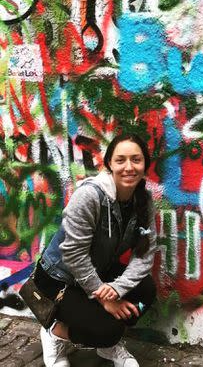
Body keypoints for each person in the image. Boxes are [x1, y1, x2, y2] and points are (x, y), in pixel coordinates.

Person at [36, 133, 157, 367]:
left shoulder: (144, 200)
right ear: (109, 164)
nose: (129, 167)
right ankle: (57, 333)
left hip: (97, 272)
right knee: (107, 330)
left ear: (145, 166)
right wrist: (103, 297)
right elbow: (73, 254)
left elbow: (144, 256)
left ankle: (105, 344)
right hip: (59, 278)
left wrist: (116, 288)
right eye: (120, 160)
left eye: (136, 160)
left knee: (145, 290)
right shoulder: (90, 196)